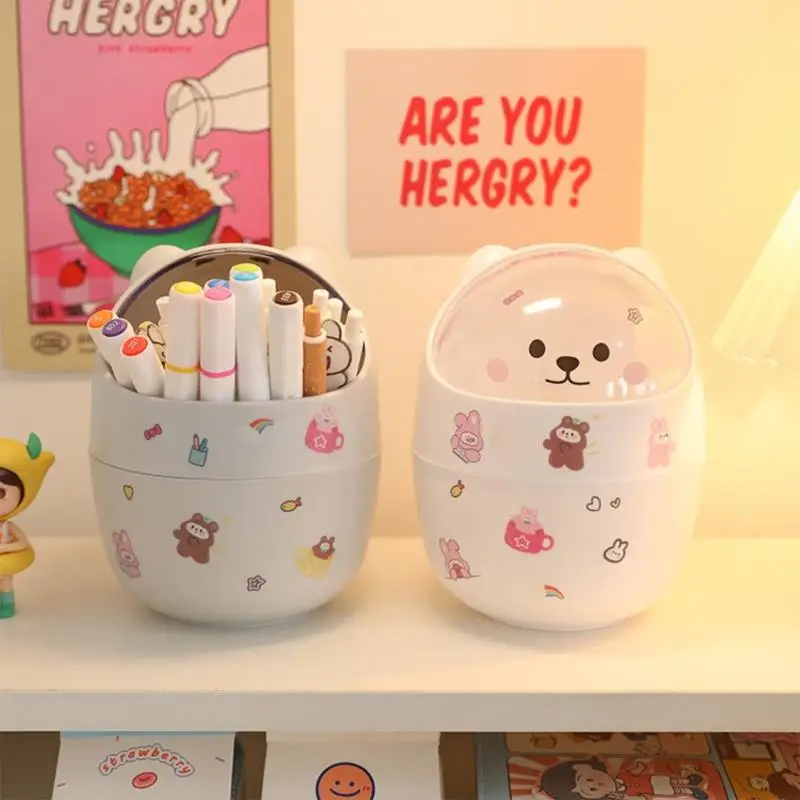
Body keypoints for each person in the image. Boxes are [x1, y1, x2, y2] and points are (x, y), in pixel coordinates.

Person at [0, 433, 55, 618]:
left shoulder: (8, 527)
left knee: (6, 584)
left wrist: (4, 548)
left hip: (5, 566)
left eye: (1, 493)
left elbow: (22, 543)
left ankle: (6, 607)